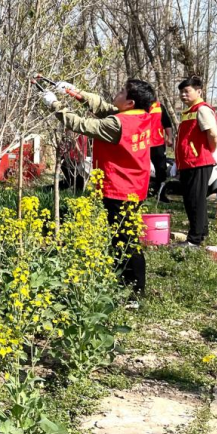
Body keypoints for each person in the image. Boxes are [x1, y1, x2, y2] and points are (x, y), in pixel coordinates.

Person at [41, 79, 156, 299]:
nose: (117, 93)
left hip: (120, 188)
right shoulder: (141, 116)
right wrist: (76, 93)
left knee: (125, 240)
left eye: (122, 91)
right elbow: (103, 107)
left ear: (130, 102)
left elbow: (79, 124)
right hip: (136, 186)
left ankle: (134, 291)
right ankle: (125, 283)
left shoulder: (117, 124)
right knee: (124, 235)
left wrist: (54, 104)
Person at [176, 76, 217, 247]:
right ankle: (202, 233)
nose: (183, 95)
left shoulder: (202, 109)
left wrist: (208, 152)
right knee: (192, 199)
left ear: (199, 91)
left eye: (187, 91)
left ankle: (194, 240)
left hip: (199, 161)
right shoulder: (189, 112)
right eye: (181, 92)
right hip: (188, 162)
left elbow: (213, 134)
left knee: (195, 200)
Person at [148, 99, 173, 202]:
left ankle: (161, 194)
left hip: (157, 143)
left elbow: (167, 123)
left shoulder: (159, 107)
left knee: (161, 168)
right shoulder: (137, 106)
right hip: (142, 143)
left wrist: (169, 137)